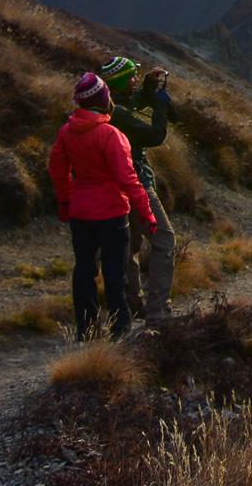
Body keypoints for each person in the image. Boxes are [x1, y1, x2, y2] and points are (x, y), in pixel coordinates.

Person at [48, 71, 156, 341]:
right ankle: (120, 329)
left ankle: (86, 330)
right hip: (112, 213)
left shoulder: (66, 133)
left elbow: (58, 169)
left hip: (80, 212)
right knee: (114, 273)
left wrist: (65, 201)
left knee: (84, 270)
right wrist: (147, 212)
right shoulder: (111, 135)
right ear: (103, 99)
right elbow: (128, 179)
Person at [101, 55, 176, 322]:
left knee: (129, 246)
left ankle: (133, 303)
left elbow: (129, 104)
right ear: (122, 81)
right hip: (137, 185)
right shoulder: (119, 115)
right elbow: (155, 135)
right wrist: (160, 107)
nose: (134, 80)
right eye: (132, 76)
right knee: (164, 241)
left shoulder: (108, 108)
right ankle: (158, 310)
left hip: (113, 188)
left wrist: (146, 87)